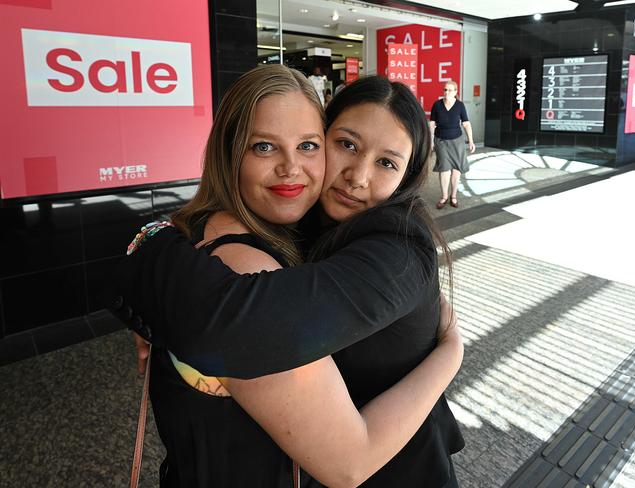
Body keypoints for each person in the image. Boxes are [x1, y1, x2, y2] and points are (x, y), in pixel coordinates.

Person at [112, 69, 464, 487]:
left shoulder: (397, 249)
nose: (358, 175)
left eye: (387, 163)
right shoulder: (288, 229)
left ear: (407, 178)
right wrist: (152, 250)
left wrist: (451, 355)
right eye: (346, 144)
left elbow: (230, 322)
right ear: (230, 153)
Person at [430, 80, 475, 209]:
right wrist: (431, 140)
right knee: (444, 168)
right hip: (441, 140)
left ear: (455, 92)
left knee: (456, 169)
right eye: (445, 90)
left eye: (450, 90)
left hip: (457, 141)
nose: (446, 92)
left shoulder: (460, 106)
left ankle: (453, 196)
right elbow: (432, 123)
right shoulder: (437, 105)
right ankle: (444, 196)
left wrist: (471, 140)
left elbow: (466, 123)